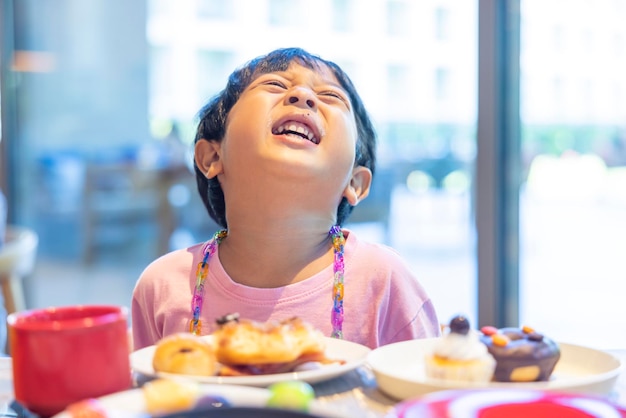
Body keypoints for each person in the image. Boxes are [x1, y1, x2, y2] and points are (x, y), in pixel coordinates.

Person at [131, 47, 440, 350]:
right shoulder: (163, 286)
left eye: (330, 97)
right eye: (275, 84)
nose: (303, 96)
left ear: (355, 182)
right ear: (212, 155)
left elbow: (427, 395)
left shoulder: (384, 281)